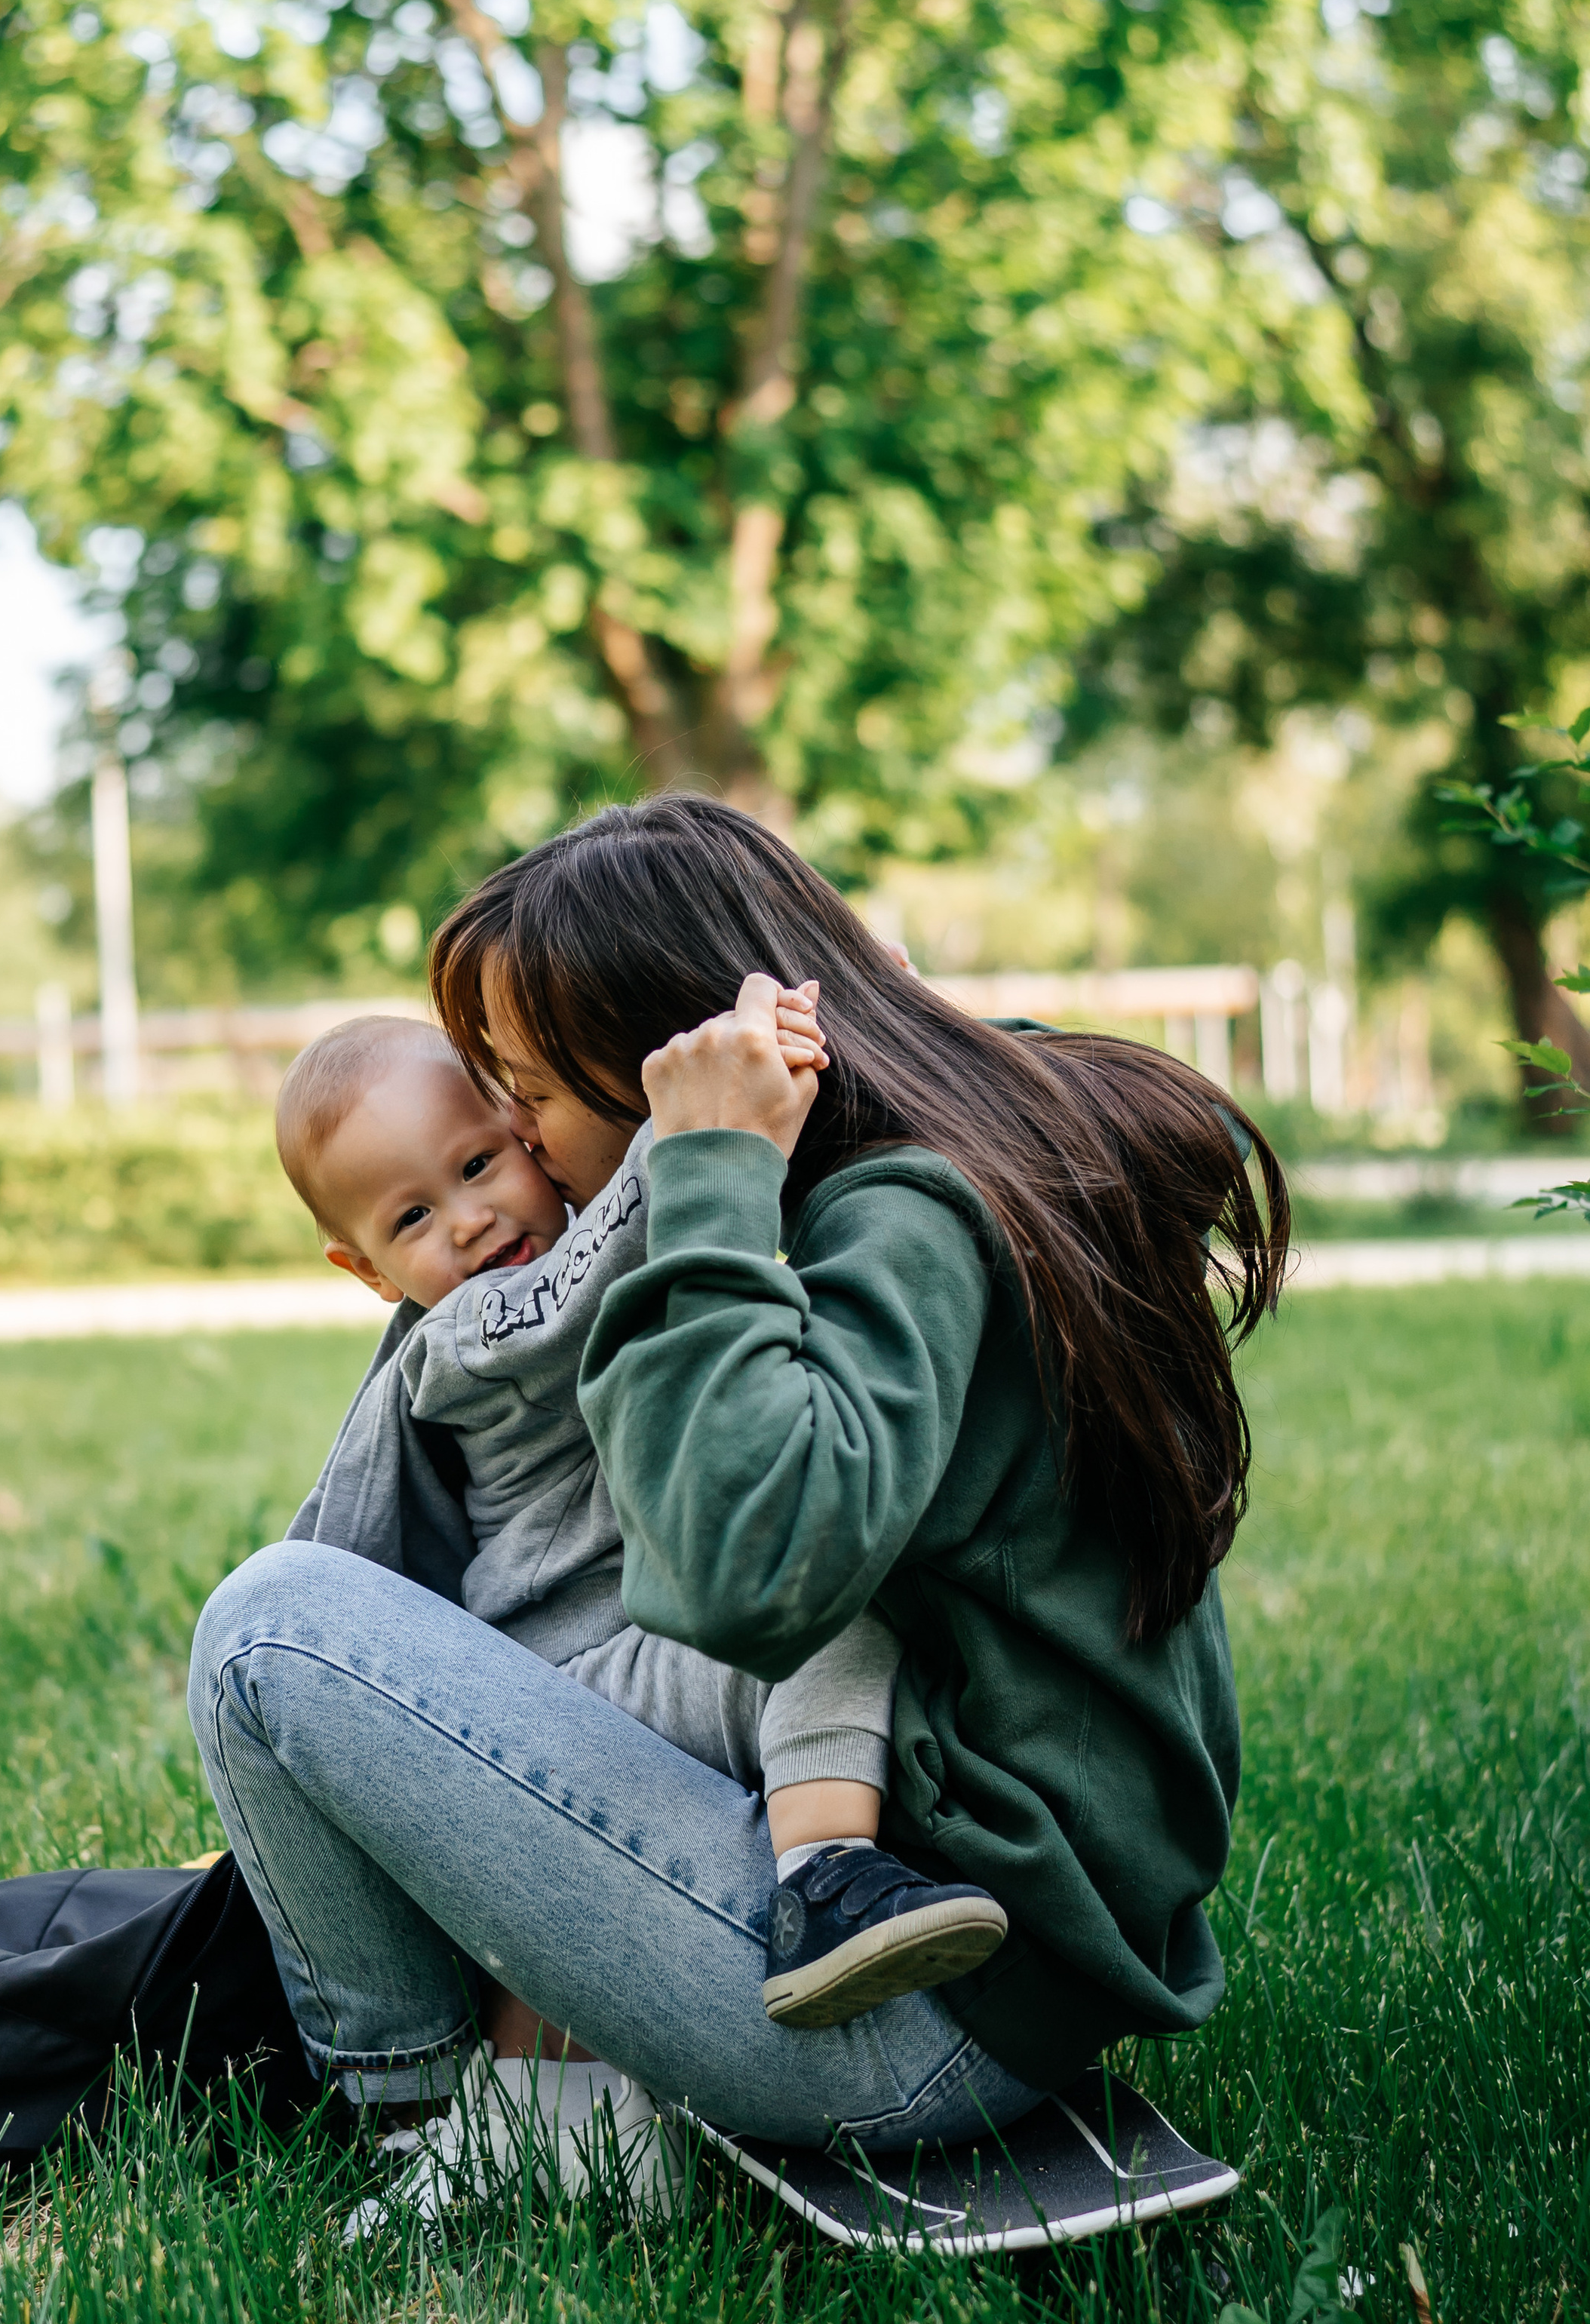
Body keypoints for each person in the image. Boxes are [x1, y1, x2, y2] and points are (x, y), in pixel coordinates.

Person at [187, 792, 1288, 2200]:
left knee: (271, 1626)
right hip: (1001, 1963)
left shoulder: (893, 1220)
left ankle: (440, 2118)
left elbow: (741, 1577)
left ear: (671, 1064)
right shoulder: (964, 1146)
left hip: (904, 2009)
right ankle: (544, 2086)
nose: (518, 1142)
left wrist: (708, 1169)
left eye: (524, 1094)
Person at [268, 1010, 1009, 2034]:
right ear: (365, 1270)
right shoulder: (463, 1339)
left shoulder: (583, 1248)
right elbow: (592, 1278)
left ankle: (829, 1877)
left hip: (673, 1646)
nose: (468, 1220)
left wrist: (849, 1018)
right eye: (410, 1221)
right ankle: (816, 1885)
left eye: (479, 1164)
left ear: (526, 1133)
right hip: (564, 1683)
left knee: (836, 1609)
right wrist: (699, 1125)